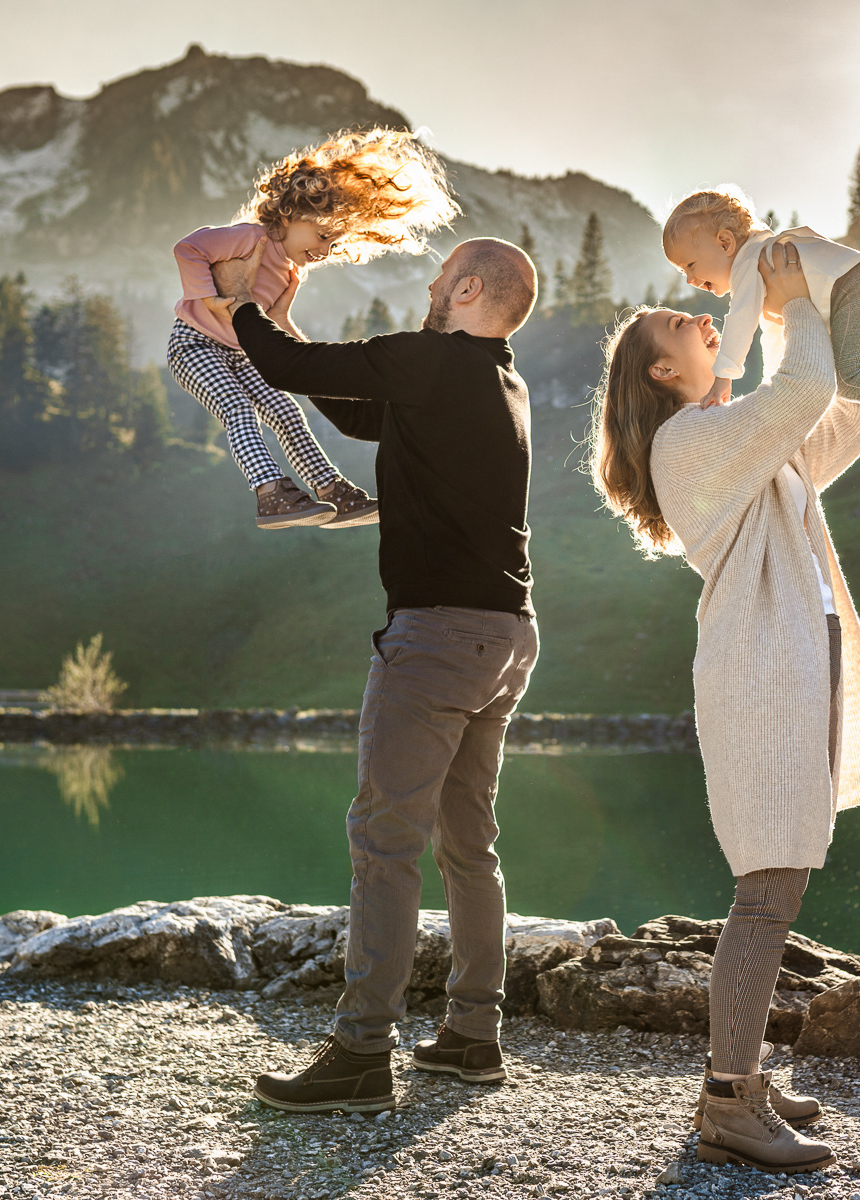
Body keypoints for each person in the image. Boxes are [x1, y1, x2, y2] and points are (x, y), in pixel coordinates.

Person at [590, 244, 860, 1174]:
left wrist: (809, 318)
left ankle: (742, 1075)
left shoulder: (729, 435)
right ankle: (729, 1101)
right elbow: (802, 393)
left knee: (780, 884)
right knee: (765, 893)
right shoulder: (688, 440)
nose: (703, 319)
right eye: (680, 325)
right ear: (662, 370)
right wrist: (791, 299)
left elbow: (832, 414)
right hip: (760, 669)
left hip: (794, 659)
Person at [202, 235, 541, 1113]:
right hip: (506, 635)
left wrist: (240, 299)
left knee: (384, 842)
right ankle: (472, 1036)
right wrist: (276, 326)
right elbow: (359, 413)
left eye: (440, 278)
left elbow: (280, 362)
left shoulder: (436, 357)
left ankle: (360, 1055)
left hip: (435, 638)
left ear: (466, 289)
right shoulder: (500, 382)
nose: (430, 287)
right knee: (469, 846)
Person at [168, 129, 458, 530]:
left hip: (241, 350)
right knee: (238, 409)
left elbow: (276, 322)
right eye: (322, 236)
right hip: (194, 345)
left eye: (334, 244)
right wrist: (207, 298)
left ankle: (331, 490)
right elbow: (189, 247)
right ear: (288, 215)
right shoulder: (249, 237)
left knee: (287, 410)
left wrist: (288, 333)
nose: (324, 251)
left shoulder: (292, 272)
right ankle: (270, 493)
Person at [662, 185, 860, 485]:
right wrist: (775, 391)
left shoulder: (752, 260)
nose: (689, 279)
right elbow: (777, 337)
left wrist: (724, 377)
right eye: (682, 273)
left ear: (725, 242)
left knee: (849, 380)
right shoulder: (766, 262)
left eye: (690, 265)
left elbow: (741, 319)